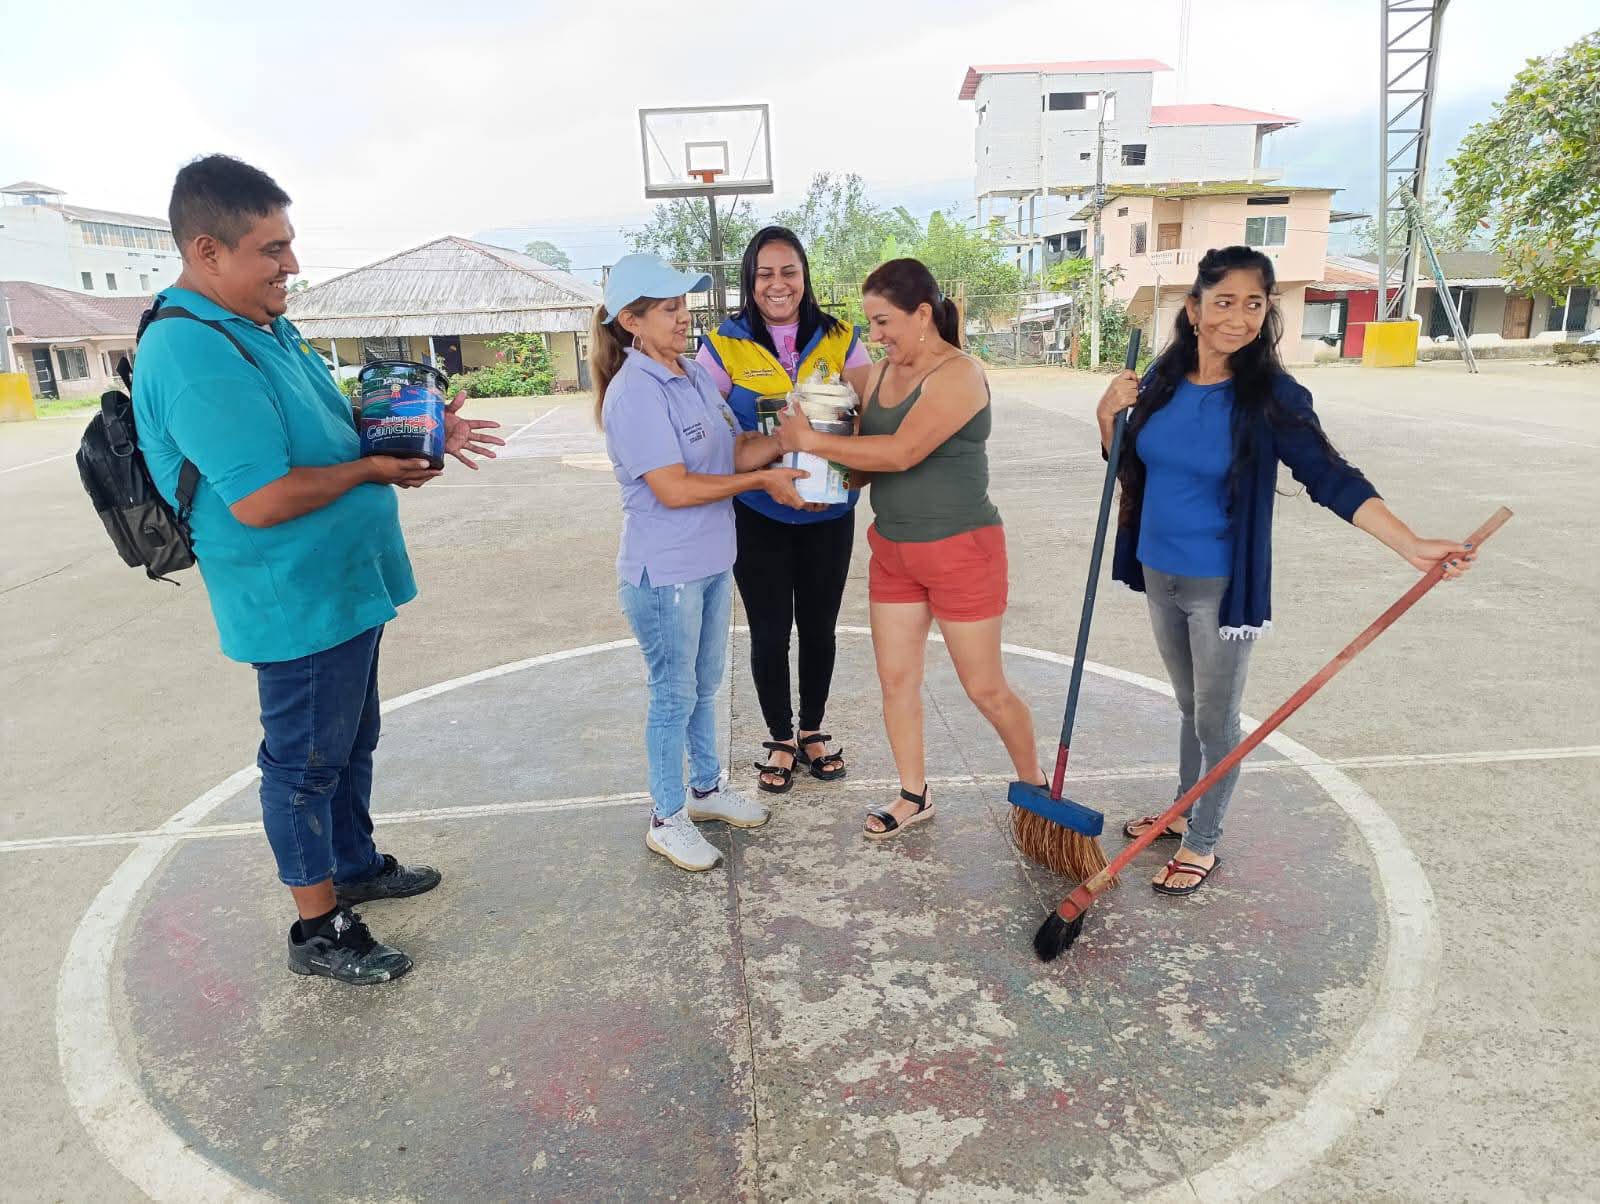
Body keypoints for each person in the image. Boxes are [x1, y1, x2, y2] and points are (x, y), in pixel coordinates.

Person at [132, 155, 504, 984]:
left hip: (341, 584)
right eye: (272, 250)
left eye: (289, 244)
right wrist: (373, 471)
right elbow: (261, 499)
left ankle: (354, 864)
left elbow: (334, 424)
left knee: (349, 740)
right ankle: (320, 928)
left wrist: (417, 430)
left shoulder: (260, 325)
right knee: (302, 766)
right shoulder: (191, 351)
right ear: (207, 250)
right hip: (292, 597)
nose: (291, 265)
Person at [1096, 245, 1475, 896]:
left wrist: (1409, 544)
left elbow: (1329, 475)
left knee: (1215, 717)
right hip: (1159, 572)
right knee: (1189, 706)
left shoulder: (1270, 396)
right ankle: (1184, 807)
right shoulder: (1161, 379)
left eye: (1253, 304)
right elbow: (1127, 462)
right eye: (1223, 302)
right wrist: (1108, 416)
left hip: (1220, 584)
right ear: (1194, 310)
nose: (1238, 317)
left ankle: (1202, 841)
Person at [776, 258, 1049, 839]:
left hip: (961, 551)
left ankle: (1036, 786)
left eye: (883, 322)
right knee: (896, 680)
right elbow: (860, 462)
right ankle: (913, 793)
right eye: (870, 324)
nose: (874, 336)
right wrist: (818, 473)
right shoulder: (874, 377)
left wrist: (811, 440)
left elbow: (901, 453)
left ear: (922, 314)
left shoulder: (959, 375)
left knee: (985, 688)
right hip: (895, 550)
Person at [592, 253, 810, 871]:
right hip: (665, 570)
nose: (684, 316)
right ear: (631, 321)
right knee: (672, 693)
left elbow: (730, 451)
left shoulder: (690, 373)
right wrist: (763, 482)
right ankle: (666, 817)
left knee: (705, 685)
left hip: (712, 560)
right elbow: (674, 487)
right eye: (669, 308)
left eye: (684, 304)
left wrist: (786, 439)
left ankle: (706, 788)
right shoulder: (634, 392)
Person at [696, 227, 873, 794]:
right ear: (749, 280)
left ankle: (812, 729)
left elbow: (873, 411)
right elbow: (704, 432)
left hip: (829, 512)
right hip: (759, 511)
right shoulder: (722, 345)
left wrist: (848, 470)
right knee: (769, 632)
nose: (779, 284)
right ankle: (779, 737)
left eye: (789, 272)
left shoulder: (841, 338)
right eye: (765, 273)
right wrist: (760, 474)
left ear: (804, 276)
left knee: (819, 627)